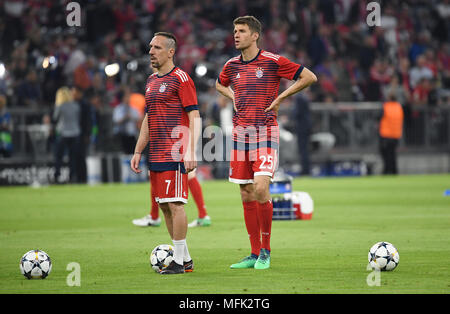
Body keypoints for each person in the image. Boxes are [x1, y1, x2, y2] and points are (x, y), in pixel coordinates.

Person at [216, 16, 317, 270]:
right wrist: (232, 96)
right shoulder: (231, 65)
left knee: (261, 188)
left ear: (255, 35)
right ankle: (252, 253)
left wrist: (282, 96)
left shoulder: (273, 62)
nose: (236, 35)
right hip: (241, 134)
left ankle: (266, 251)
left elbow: (309, 77)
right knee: (246, 192)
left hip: (265, 132)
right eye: (234, 30)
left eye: (241, 31)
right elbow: (219, 84)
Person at [130, 32, 200, 275]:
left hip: (176, 152)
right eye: (150, 46)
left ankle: (178, 262)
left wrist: (191, 150)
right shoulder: (150, 81)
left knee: (176, 204)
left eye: (157, 47)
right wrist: (139, 149)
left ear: (171, 52)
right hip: (156, 154)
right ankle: (186, 259)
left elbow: (194, 115)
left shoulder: (181, 79)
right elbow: (148, 119)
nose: (151, 51)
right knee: (164, 207)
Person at [53, 86, 81, 183]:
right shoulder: (76, 106)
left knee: (58, 156)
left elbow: (55, 117)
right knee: (72, 157)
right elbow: (78, 119)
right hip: (75, 133)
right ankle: (72, 177)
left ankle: (57, 176)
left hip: (63, 133)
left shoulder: (60, 106)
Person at [379, 93, 404, 175]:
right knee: (393, 154)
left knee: (386, 154)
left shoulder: (386, 107)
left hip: (386, 134)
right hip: (396, 135)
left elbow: (379, 117)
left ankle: (386, 170)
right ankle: (394, 170)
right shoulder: (399, 107)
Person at [112, 87, 141, 154]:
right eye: (126, 97)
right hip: (122, 135)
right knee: (124, 153)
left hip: (132, 134)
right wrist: (125, 118)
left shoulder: (133, 109)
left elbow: (139, 118)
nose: (128, 98)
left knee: (133, 152)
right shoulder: (118, 109)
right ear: (122, 98)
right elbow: (116, 120)